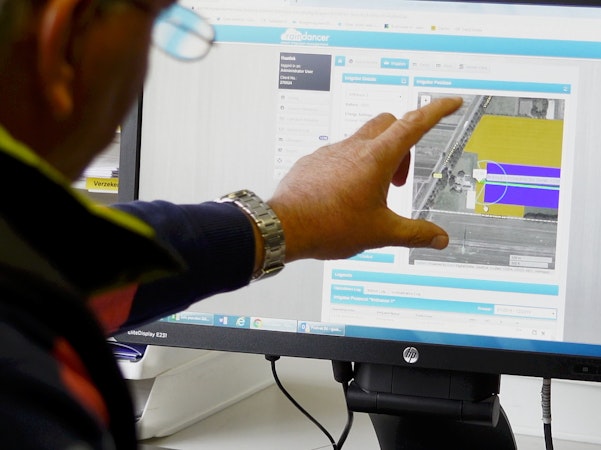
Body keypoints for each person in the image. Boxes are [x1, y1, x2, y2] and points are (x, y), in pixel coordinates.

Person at [0, 0, 463, 448]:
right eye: (154, 28)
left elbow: (73, 260)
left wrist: (290, 219)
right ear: (65, 37)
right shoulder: (27, 394)